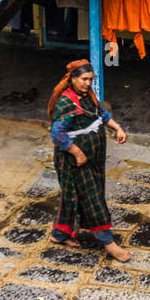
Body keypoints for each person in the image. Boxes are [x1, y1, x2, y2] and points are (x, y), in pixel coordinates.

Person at [45, 59, 131, 262]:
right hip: (74, 161)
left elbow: (101, 115)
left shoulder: (88, 97)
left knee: (71, 194)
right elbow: (58, 135)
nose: (87, 83)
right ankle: (109, 244)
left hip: (94, 157)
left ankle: (60, 234)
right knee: (93, 198)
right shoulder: (65, 103)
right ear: (72, 79)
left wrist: (117, 128)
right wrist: (77, 152)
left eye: (90, 79)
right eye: (83, 79)